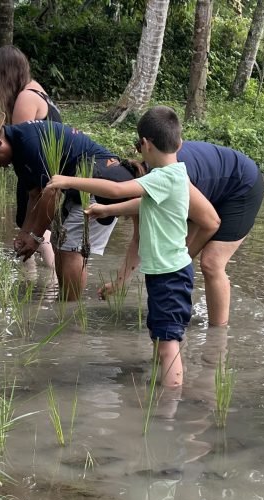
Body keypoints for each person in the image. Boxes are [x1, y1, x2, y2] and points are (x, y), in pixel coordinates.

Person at [47, 106, 221, 387]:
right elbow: (145, 203)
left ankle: (170, 405)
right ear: (179, 143)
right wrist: (106, 211)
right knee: (162, 335)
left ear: (145, 145)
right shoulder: (174, 176)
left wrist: (67, 180)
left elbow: (116, 190)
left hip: (169, 276)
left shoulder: (162, 177)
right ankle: (162, 389)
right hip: (166, 273)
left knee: (167, 344)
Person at [0, 115, 137, 300]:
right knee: (58, 240)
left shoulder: (29, 144)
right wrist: (25, 232)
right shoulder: (19, 147)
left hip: (102, 181)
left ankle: (71, 313)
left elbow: (51, 194)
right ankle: (65, 303)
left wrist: (36, 237)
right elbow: (35, 194)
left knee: (70, 248)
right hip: (81, 183)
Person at [104, 141, 264, 326]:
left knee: (211, 263)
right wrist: (120, 282)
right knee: (176, 260)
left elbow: (209, 223)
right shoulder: (146, 179)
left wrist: (181, 261)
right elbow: (139, 239)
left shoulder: (172, 178)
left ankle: (217, 337)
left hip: (241, 185)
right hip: (208, 191)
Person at [0, 44, 63, 244]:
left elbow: (18, 143)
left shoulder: (25, 98)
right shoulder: (37, 89)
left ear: (4, 73)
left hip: (36, 168)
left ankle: (42, 275)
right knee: (40, 225)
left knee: (35, 228)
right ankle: (34, 275)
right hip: (48, 167)